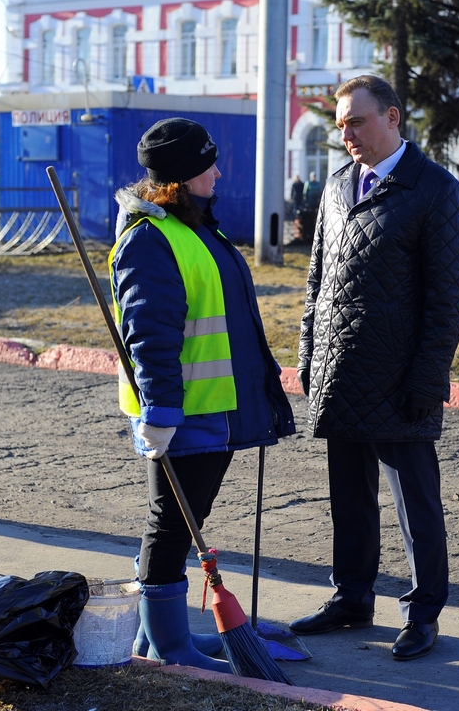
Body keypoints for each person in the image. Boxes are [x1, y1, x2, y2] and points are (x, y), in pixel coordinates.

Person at [290, 75, 459, 662]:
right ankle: (352, 597)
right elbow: (318, 281)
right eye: (339, 124)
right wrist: (309, 357)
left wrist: (428, 375)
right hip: (342, 373)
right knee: (349, 498)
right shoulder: (339, 186)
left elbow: (447, 297)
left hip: (399, 380)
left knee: (415, 503)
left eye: (356, 121)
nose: (345, 134)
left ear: (392, 118)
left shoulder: (435, 189)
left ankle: (422, 613)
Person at [110, 117, 296, 672]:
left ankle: (153, 635)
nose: (217, 172)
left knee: (179, 518)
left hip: (208, 409)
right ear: (184, 177)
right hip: (183, 413)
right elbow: (150, 334)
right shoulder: (151, 240)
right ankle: (170, 647)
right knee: (171, 523)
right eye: (207, 164)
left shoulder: (192, 229)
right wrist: (161, 412)